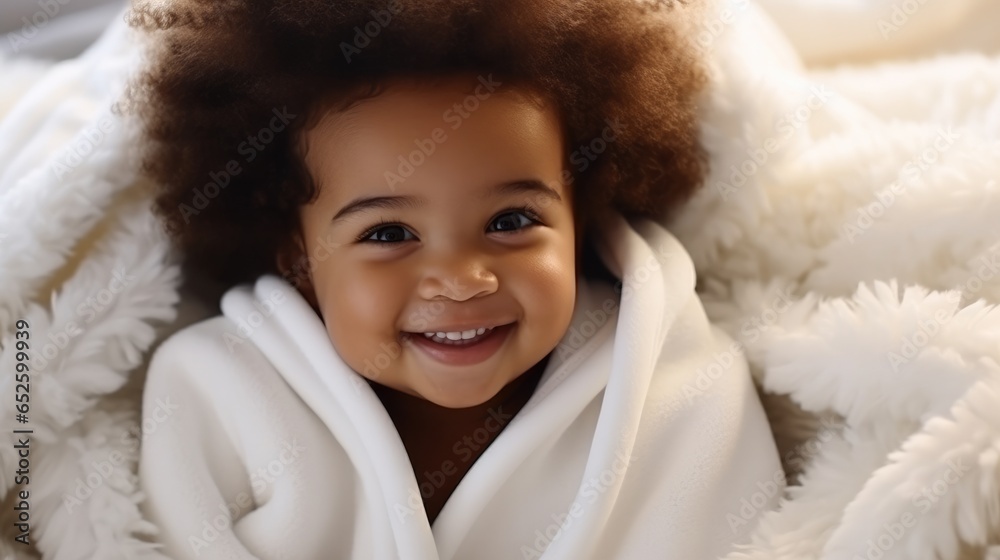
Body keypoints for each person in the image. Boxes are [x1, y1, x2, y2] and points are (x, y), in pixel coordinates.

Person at [129, 0, 783, 558]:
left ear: (580, 218)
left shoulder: (682, 388)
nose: (461, 279)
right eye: (388, 234)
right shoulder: (217, 390)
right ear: (293, 252)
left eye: (512, 220)